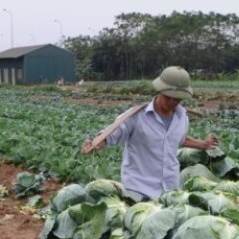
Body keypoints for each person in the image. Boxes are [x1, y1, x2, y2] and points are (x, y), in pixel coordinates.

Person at [81, 66, 218, 201]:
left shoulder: (182, 117)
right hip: (138, 192)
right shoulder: (136, 116)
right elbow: (112, 134)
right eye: (168, 97)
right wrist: (96, 143)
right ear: (159, 91)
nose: (171, 102)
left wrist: (203, 144)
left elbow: (178, 139)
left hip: (170, 191)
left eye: (177, 99)